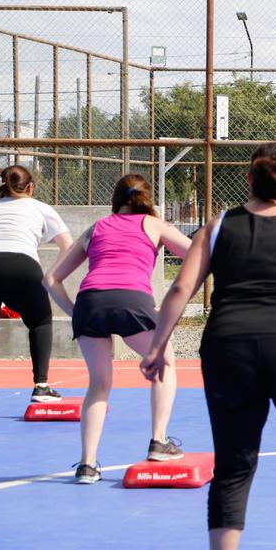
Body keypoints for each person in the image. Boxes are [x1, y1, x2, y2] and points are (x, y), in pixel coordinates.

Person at [140, 142, 276, 550]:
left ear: (249, 181)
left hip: (228, 347)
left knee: (234, 460)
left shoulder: (219, 225)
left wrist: (157, 345)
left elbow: (182, 287)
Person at [43, 173, 192, 485]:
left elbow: (51, 279)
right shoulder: (155, 225)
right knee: (165, 362)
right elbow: (197, 255)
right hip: (131, 300)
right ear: (147, 200)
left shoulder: (97, 227)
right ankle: (158, 440)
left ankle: (86, 465)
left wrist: (74, 312)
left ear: (116, 200)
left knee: (99, 383)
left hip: (90, 303)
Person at [0, 165, 73, 402]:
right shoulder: (39, 207)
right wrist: (51, 274)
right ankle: (41, 385)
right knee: (40, 322)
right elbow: (67, 246)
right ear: (30, 187)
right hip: (22, 265)